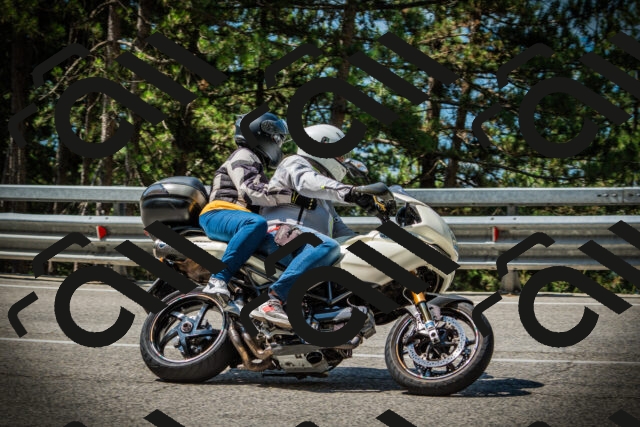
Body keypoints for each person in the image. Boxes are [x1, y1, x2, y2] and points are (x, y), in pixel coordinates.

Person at [250, 124, 384, 329]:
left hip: (301, 245)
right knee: (326, 245)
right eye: (339, 153)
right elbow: (308, 182)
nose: (343, 160)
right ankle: (273, 299)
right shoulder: (295, 164)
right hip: (279, 235)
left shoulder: (325, 201)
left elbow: (342, 232)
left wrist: (374, 243)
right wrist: (350, 192)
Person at [199, 113, 315, 301]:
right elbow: (250, 191)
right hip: (218, 213)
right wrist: (293, 197)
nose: (278, 144)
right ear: (261, 133)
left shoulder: (256, 163)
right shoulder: (244, 155)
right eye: (276, 138)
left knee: (286, 249)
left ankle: (258, 298)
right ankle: (218, 279)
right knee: (256, 223)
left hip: (240, 220)